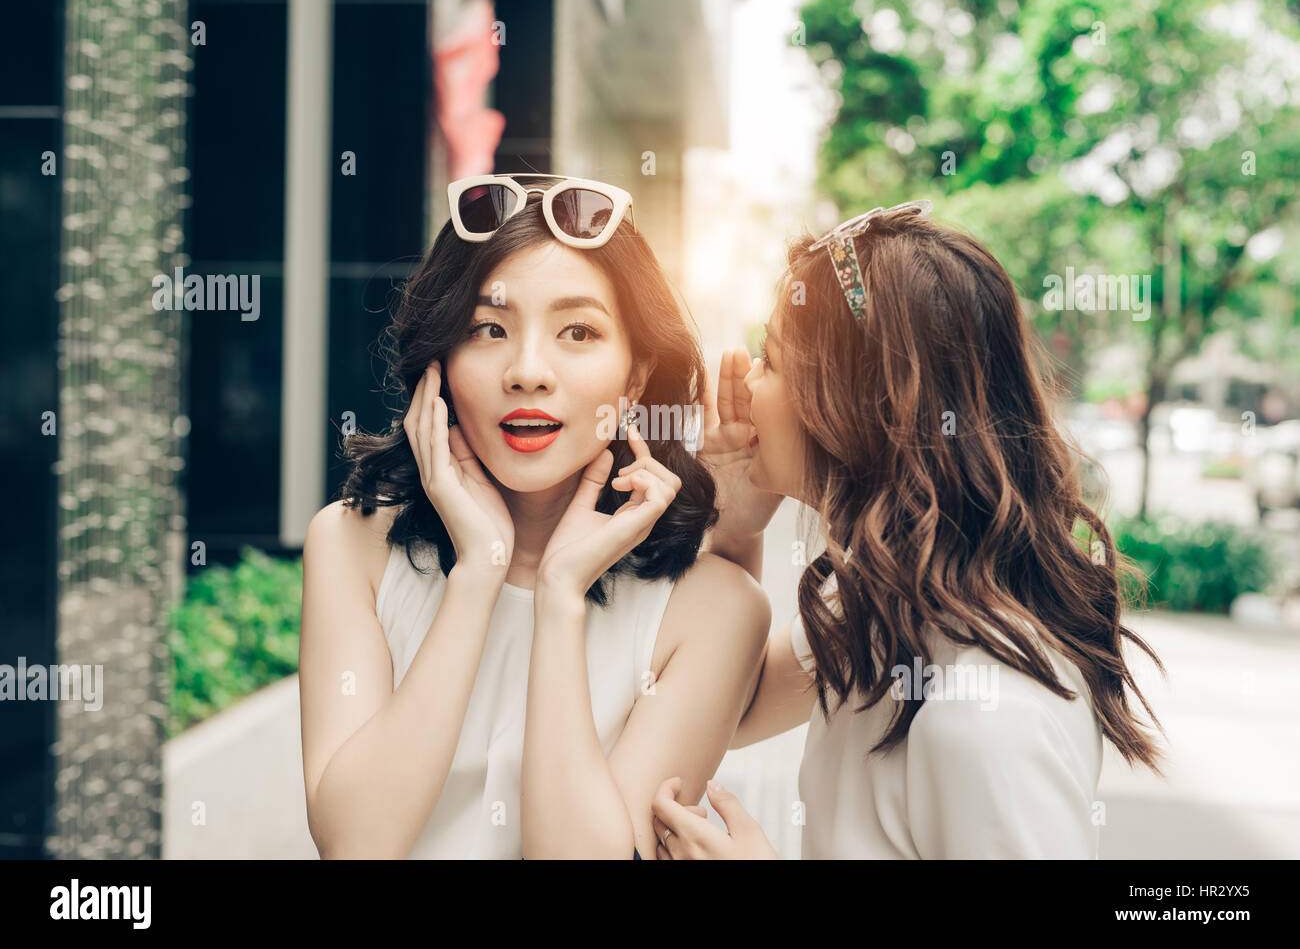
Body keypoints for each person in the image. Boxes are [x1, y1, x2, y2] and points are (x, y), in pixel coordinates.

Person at [651, 201, 1167, 859]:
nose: (747, 384)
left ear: (854, 406)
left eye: (771, 360)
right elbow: (730, 710)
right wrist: (738, 527)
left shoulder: (985, 716)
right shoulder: (881, 604)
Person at [298, 174, 769, 858]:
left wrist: (560, 596)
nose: (527, 371)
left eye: (578, 331)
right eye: (488, 328)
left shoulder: (716, 609)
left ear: (636, 376)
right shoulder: (352, 543)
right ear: (440, 364)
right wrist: (479, 573)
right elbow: (355, 844)